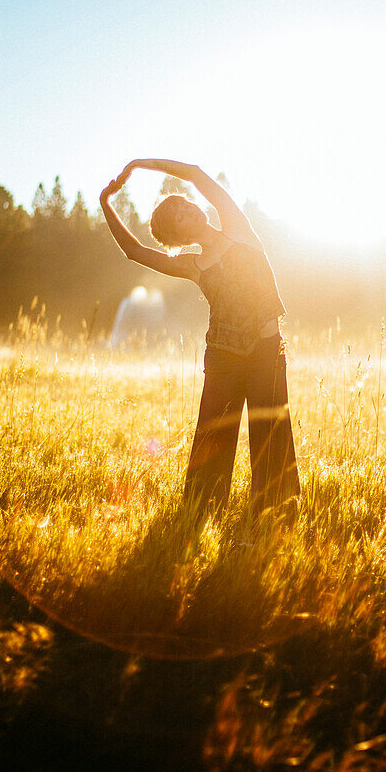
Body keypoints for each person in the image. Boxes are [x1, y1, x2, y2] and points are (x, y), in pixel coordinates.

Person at [100, 159, 300, 517]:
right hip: (223, 359)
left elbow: (194, 173)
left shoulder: (238, 228)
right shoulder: (193, 265)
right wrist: (106, 203)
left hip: (268, 352)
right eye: (178, 214)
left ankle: (274, 516)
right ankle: (201, 515)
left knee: (272, 436)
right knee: (214, 442)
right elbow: (136, 252)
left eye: (184, 203)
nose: (188, 208)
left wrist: (138, 165)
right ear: (178, 238)